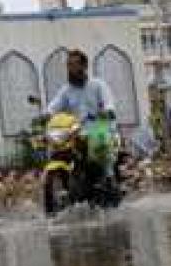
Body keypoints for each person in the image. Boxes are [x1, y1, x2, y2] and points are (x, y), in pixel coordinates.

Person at [46, 49, 118, 180]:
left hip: (99, 127)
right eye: (69, 65)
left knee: (100, 145)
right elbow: (54, 106)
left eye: (75, 64)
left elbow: (109, 103)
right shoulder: (66, 90)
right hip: (76, 130)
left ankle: (109, 177)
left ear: (84, 66)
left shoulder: (98, 85)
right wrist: (45, 115)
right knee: (59, 145)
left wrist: (107, 111)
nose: (71, 69)